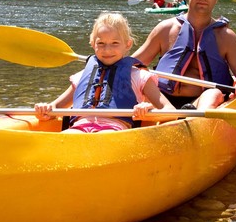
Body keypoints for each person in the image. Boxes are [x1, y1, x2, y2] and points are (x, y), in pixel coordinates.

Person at [132, 0, 236, 110]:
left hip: (204, 104)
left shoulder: (226, 37)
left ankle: (196, 124)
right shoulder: (165, 29)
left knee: (212, 94)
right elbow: (130, 65)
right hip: (163, 103)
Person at [34, 12, 176, 133]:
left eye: (115, 43)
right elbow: (54, 108)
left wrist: (148, 110)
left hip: (114, 130)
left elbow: (170, 111)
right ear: (92, 43)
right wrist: (45, 109)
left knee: (104, 135)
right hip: (79, 128)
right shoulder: (82, 76)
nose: (107, 50)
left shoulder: (140, 76)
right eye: (101, 43)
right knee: (68, 137)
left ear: (128, 44)